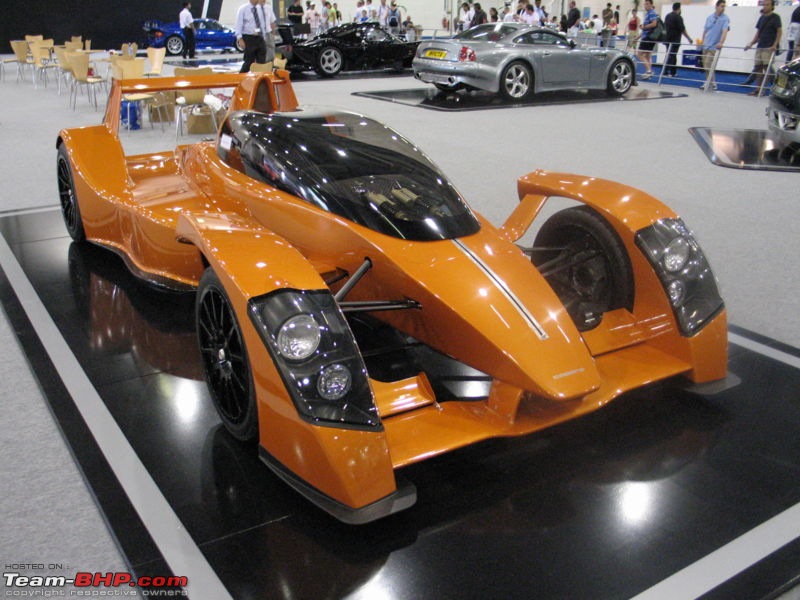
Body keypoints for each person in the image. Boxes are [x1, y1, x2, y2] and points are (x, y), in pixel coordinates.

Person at [743, 0, 782, 95]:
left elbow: (779, 32)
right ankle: (758, 89)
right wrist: (751, 43)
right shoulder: (762, 18)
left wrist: (775, 45)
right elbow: (758, 33)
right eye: (764, 5)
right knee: (758, 68)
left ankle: (763, 89)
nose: (765, 7)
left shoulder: (776, 17)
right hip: (760, 46)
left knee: (767, 68)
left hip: (769, 47)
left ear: (772, 6)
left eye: (767, 5)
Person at [235, 0, 275, 72]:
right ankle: (241, 78)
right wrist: (239, 39)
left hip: (260, 37)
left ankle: (259, 80)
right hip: (249, 37)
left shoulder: (260, 9)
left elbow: (262, 23)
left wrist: (264, 36)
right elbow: (238, 25)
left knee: (262, 61)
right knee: (249, 61)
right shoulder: (243, 9)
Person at [699, 0, 729, 90]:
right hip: (706, 45)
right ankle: (710, 82)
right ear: (716, 6)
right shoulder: (710, 17)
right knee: (706, 66)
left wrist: (721, 42)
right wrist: (702, 42)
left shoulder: (725, 19)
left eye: (724, 6)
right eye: (721, 6)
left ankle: (711, 83)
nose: (723, 8)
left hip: (714, 46)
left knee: (709, 64)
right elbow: (705, 30)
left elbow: (724, 31)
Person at [664, 3, 692, 77]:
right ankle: (670, 72)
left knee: (669, 55)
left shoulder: (667, 16)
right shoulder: (678, 17)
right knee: (672, 55)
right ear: (679, 9)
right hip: (675, 40)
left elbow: (665, 27)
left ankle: (668, 71)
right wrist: (689, 38)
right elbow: (682, 30)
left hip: (667, 39)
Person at [637, 0, 658, 79]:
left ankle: (649, 70)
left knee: (639, 54)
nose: (646, 5)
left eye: (647, 4)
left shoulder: (651, 13)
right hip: (648, 36)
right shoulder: (648, 13)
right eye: (645, 4)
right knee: (648, 55)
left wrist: (644, 27)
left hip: (648, 37)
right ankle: (649, 71)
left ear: (651, 5)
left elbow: (654, 23)